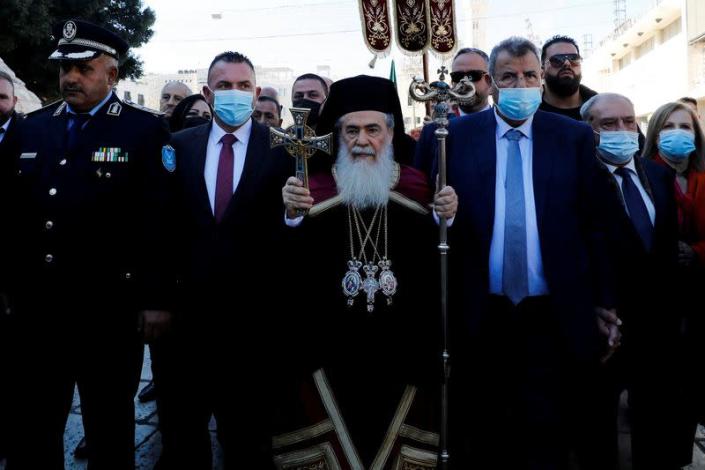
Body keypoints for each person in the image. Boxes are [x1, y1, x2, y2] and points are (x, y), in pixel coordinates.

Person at [436, 36, 615, 468]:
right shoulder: (452, 137)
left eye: (530, 75)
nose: (522, 84)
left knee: (547, 431)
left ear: (541, 78)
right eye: (510, 76)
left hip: (551, 313)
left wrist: (605, 302)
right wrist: (444, 215)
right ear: (492, 84)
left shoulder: (571, 137)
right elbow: (433, 215)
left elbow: (598, 225)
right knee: (485, 430)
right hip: (481, 311)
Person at [6, 19, 172, 470]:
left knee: (109, 429)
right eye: (65, 68)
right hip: (39, 310)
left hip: (108, 312)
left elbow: (157, 221)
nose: (70, 78)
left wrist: (155, 298)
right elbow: (10, 215)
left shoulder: (143, 131)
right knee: (34, 426)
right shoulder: (33, 128)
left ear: (112, 75)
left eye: (84, 68)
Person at [277, 74, 457, 468]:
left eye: (373, 129)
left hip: (400, 347)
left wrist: (448, 216)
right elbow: (287, 271)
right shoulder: (310, 190)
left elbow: (438, 267)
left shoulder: (418, 187)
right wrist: (291, 219)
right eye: (351, 130)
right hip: (328, 347)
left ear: (391, 133)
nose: (362, 141)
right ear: (336, 135)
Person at [150, 51, 291, 469]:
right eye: (225, 86)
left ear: (257, 92)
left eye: (244, 86)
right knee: (181, 436)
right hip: (184, 322)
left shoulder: (283, 150)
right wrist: (156, 298)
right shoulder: (177, 147)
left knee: (248, 439)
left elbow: (292, 231)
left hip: (252, 323)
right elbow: (158, 226)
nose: (235, 94)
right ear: (208, 93)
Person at [581, 93, 680, 469]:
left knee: (655, 429)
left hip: (658, 329)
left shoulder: (658, 175)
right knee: (599, 431)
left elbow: (665, 252)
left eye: (628, 121)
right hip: (605, 326)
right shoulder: (578, 180)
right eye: (608, 124)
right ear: (588, 132)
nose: (623, 130)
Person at [642, 100, 705, 468]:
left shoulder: (701, 179)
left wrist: (697, 251)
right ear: (655, 134)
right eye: (670, 127)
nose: (678, 134)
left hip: (698, 297)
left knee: (692, 388)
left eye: (686, 127)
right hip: (658, 301)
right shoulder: (644, 175)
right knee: (658, 392)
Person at [539, 35, 597, 121]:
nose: (567, 63)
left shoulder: (601, 108)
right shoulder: (529, 112)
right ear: (542, 71)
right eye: (557, 60)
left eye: (574, 59)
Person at [449, 47, 492, 115]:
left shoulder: (503, 124)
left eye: (473, 75)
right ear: (452, 82)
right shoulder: (442, 124)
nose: (465, 82)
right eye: (458, 76)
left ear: (490, 82)